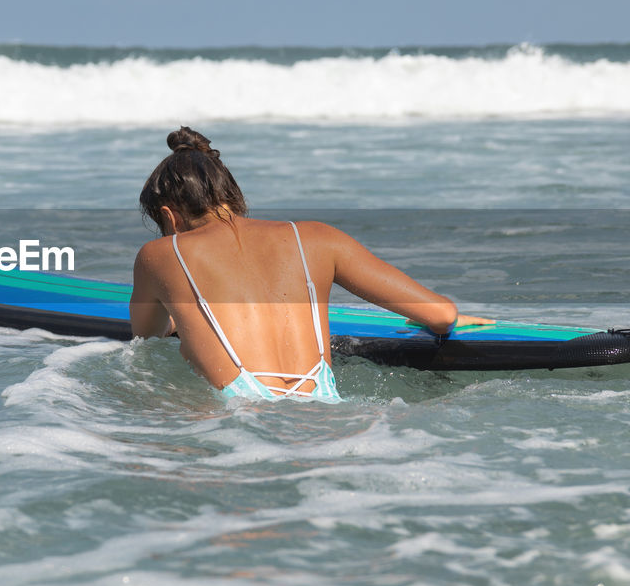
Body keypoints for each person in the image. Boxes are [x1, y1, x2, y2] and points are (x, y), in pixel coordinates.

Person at [130, 126, 492, 402]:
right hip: (322, 407)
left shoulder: (160, 254)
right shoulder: (317, 237)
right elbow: (442, 315)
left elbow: (146, 337)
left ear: (169, 216)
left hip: (238, 417)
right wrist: (444, 319)